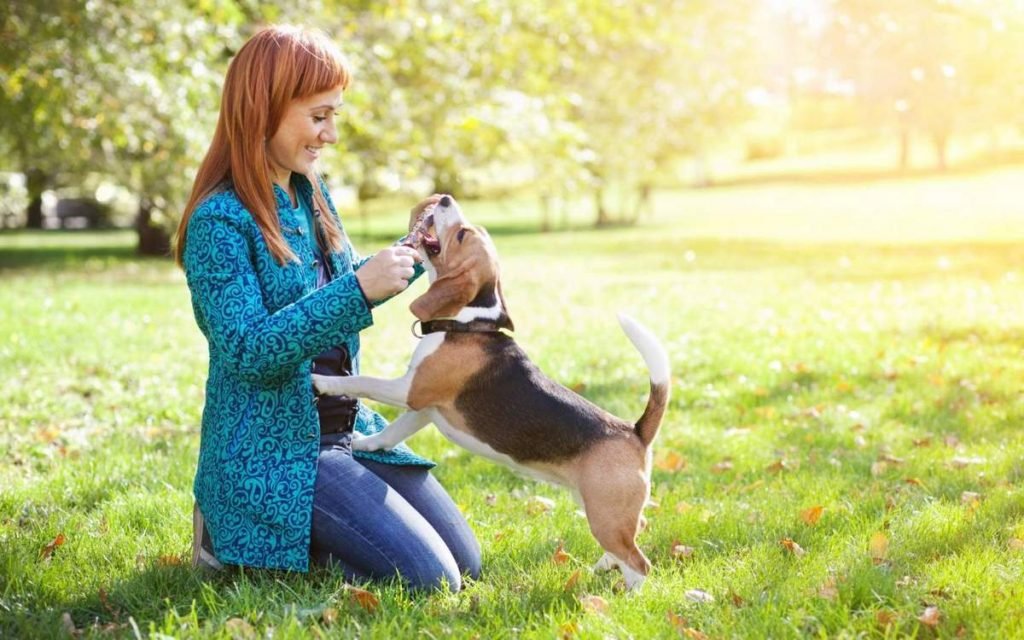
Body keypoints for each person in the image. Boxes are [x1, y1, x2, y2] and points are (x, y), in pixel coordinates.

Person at [173, 25, 480, 592]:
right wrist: (358, 290)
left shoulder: (308, 190)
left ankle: (306, 536)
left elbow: (337, 284)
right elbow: (247, 352)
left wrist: (407, 254)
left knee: (468, 562)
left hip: (348, 427)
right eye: (319, 117)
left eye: (334, 115)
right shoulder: (218, 223)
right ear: (263, 110)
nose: (331, 134)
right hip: (279, 451)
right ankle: (238, 531)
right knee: (431, 581)